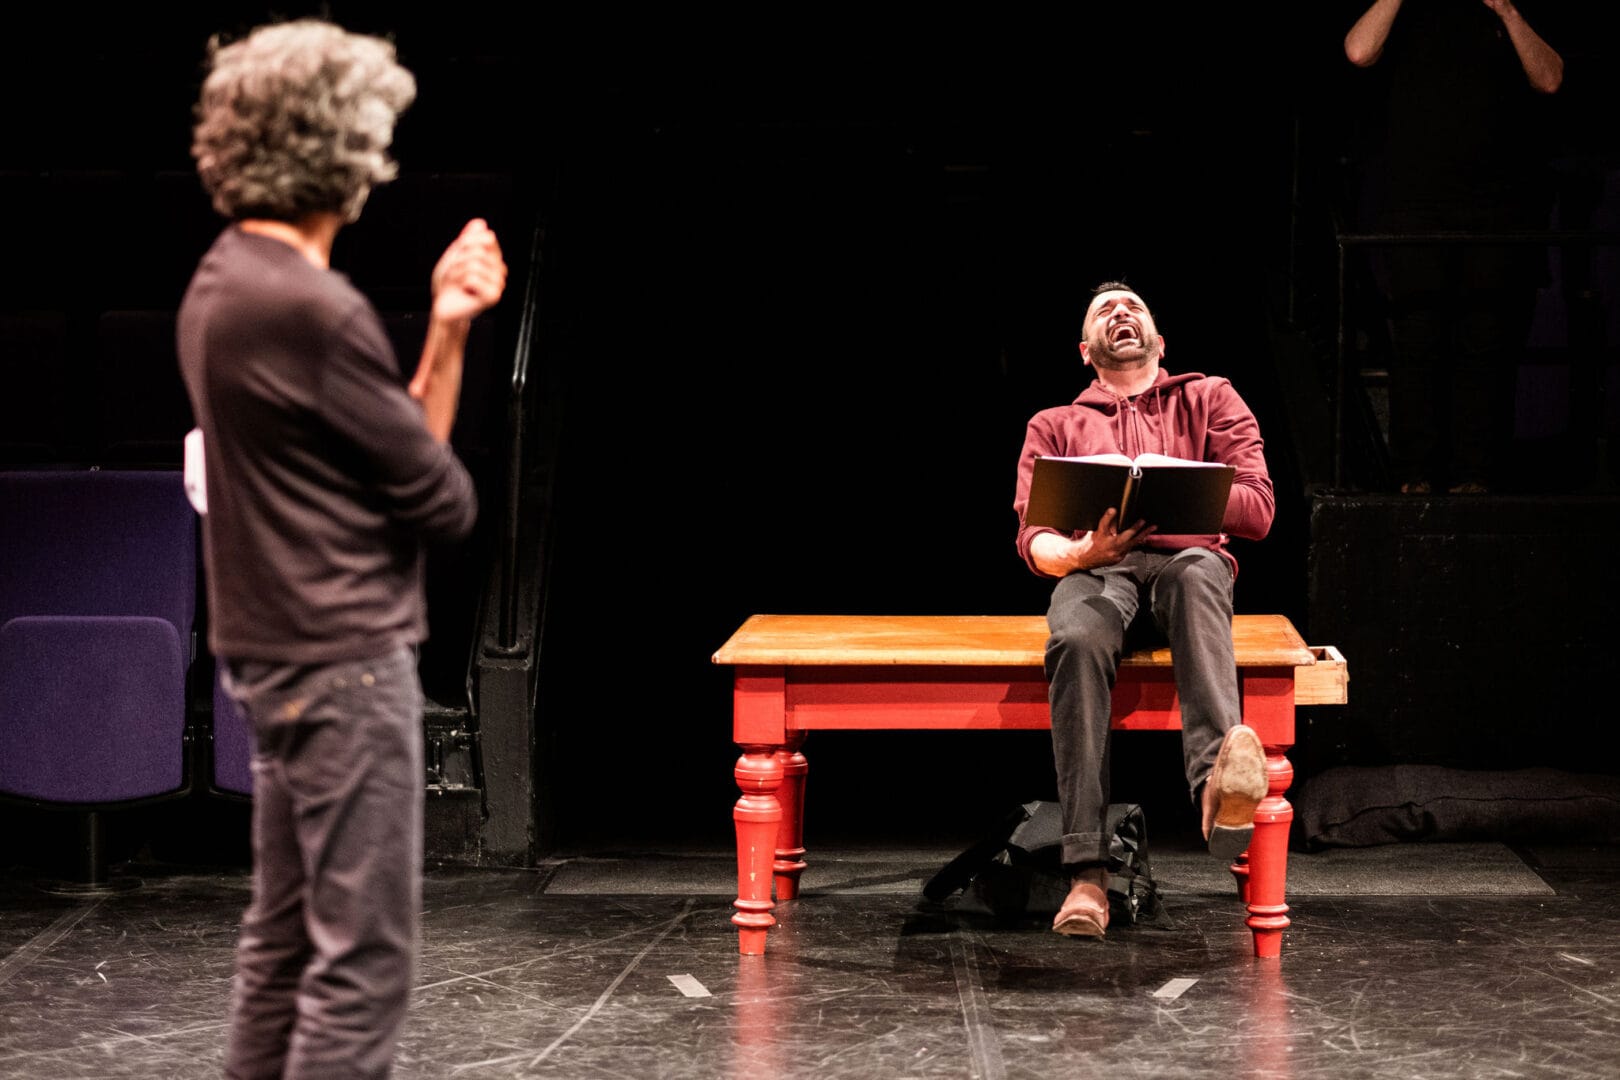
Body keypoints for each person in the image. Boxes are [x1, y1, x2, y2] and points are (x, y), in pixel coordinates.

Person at [177, 19, 507, 1078]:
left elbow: (383, 458)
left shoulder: (228, 282)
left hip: (276, 658)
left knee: (282, 942)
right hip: (342, 662)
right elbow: (441, 501)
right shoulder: (312, 309)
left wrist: (449, 329)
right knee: (361, 963)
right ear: (342, 151)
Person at [1012, 282, 1275, 938]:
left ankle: (1218, 792)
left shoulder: (1210, 396)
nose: (1121, 314)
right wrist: (1079, 552)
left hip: (1187, 561)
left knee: (1197, 577)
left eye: (1134, 307)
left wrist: (1176, 485)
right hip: (1097, 569)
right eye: (1105, 310)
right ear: (1085, 350)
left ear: (1161, 340)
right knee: (1074, 637)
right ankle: (1087, 877)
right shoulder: (1055, 424)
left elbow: (1259, 509)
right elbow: (1032, 538)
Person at [1343, 0, 1565, 494]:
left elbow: (1550, 78)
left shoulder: (1507, 10)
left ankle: (1475, 476)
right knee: (1419, 336)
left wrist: (1507, 11)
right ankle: (1414, 476)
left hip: (1497, 202)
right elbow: (1358, 51)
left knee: (1484, 340)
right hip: (1417, 200)